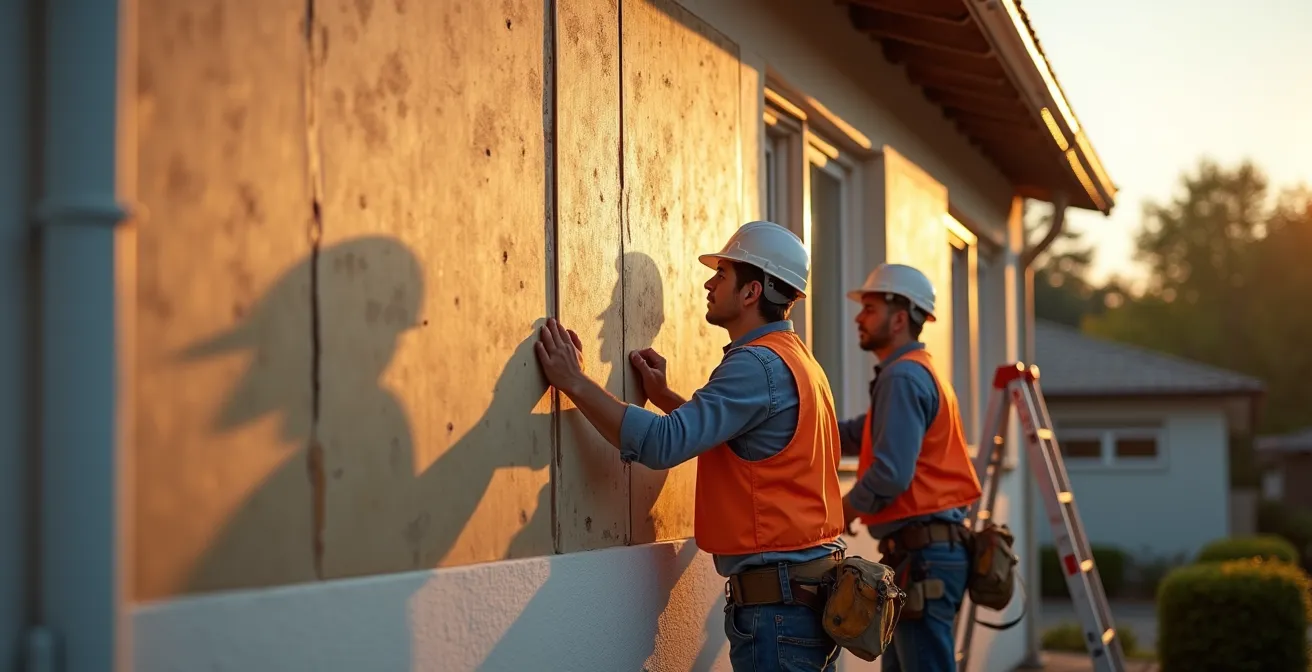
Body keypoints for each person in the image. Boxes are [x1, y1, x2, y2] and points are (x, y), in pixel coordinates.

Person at [534, 220, 848, 671]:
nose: (709, 282)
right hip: (805, 602)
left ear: (751, 292)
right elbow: (746, 443)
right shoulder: (797, 361)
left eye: (722, 274)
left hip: (779, 610)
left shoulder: (755, 365)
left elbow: (662, 445)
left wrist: (575, 382)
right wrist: (665, 399)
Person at [837, 263, 982, 672]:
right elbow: (860, 434)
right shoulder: (915, 371)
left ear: (899, 318)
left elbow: (890, 474)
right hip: (927, 553)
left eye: (869, 308)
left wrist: (843, 511)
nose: (858, 317)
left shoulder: (902, 377)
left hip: (925, 557)